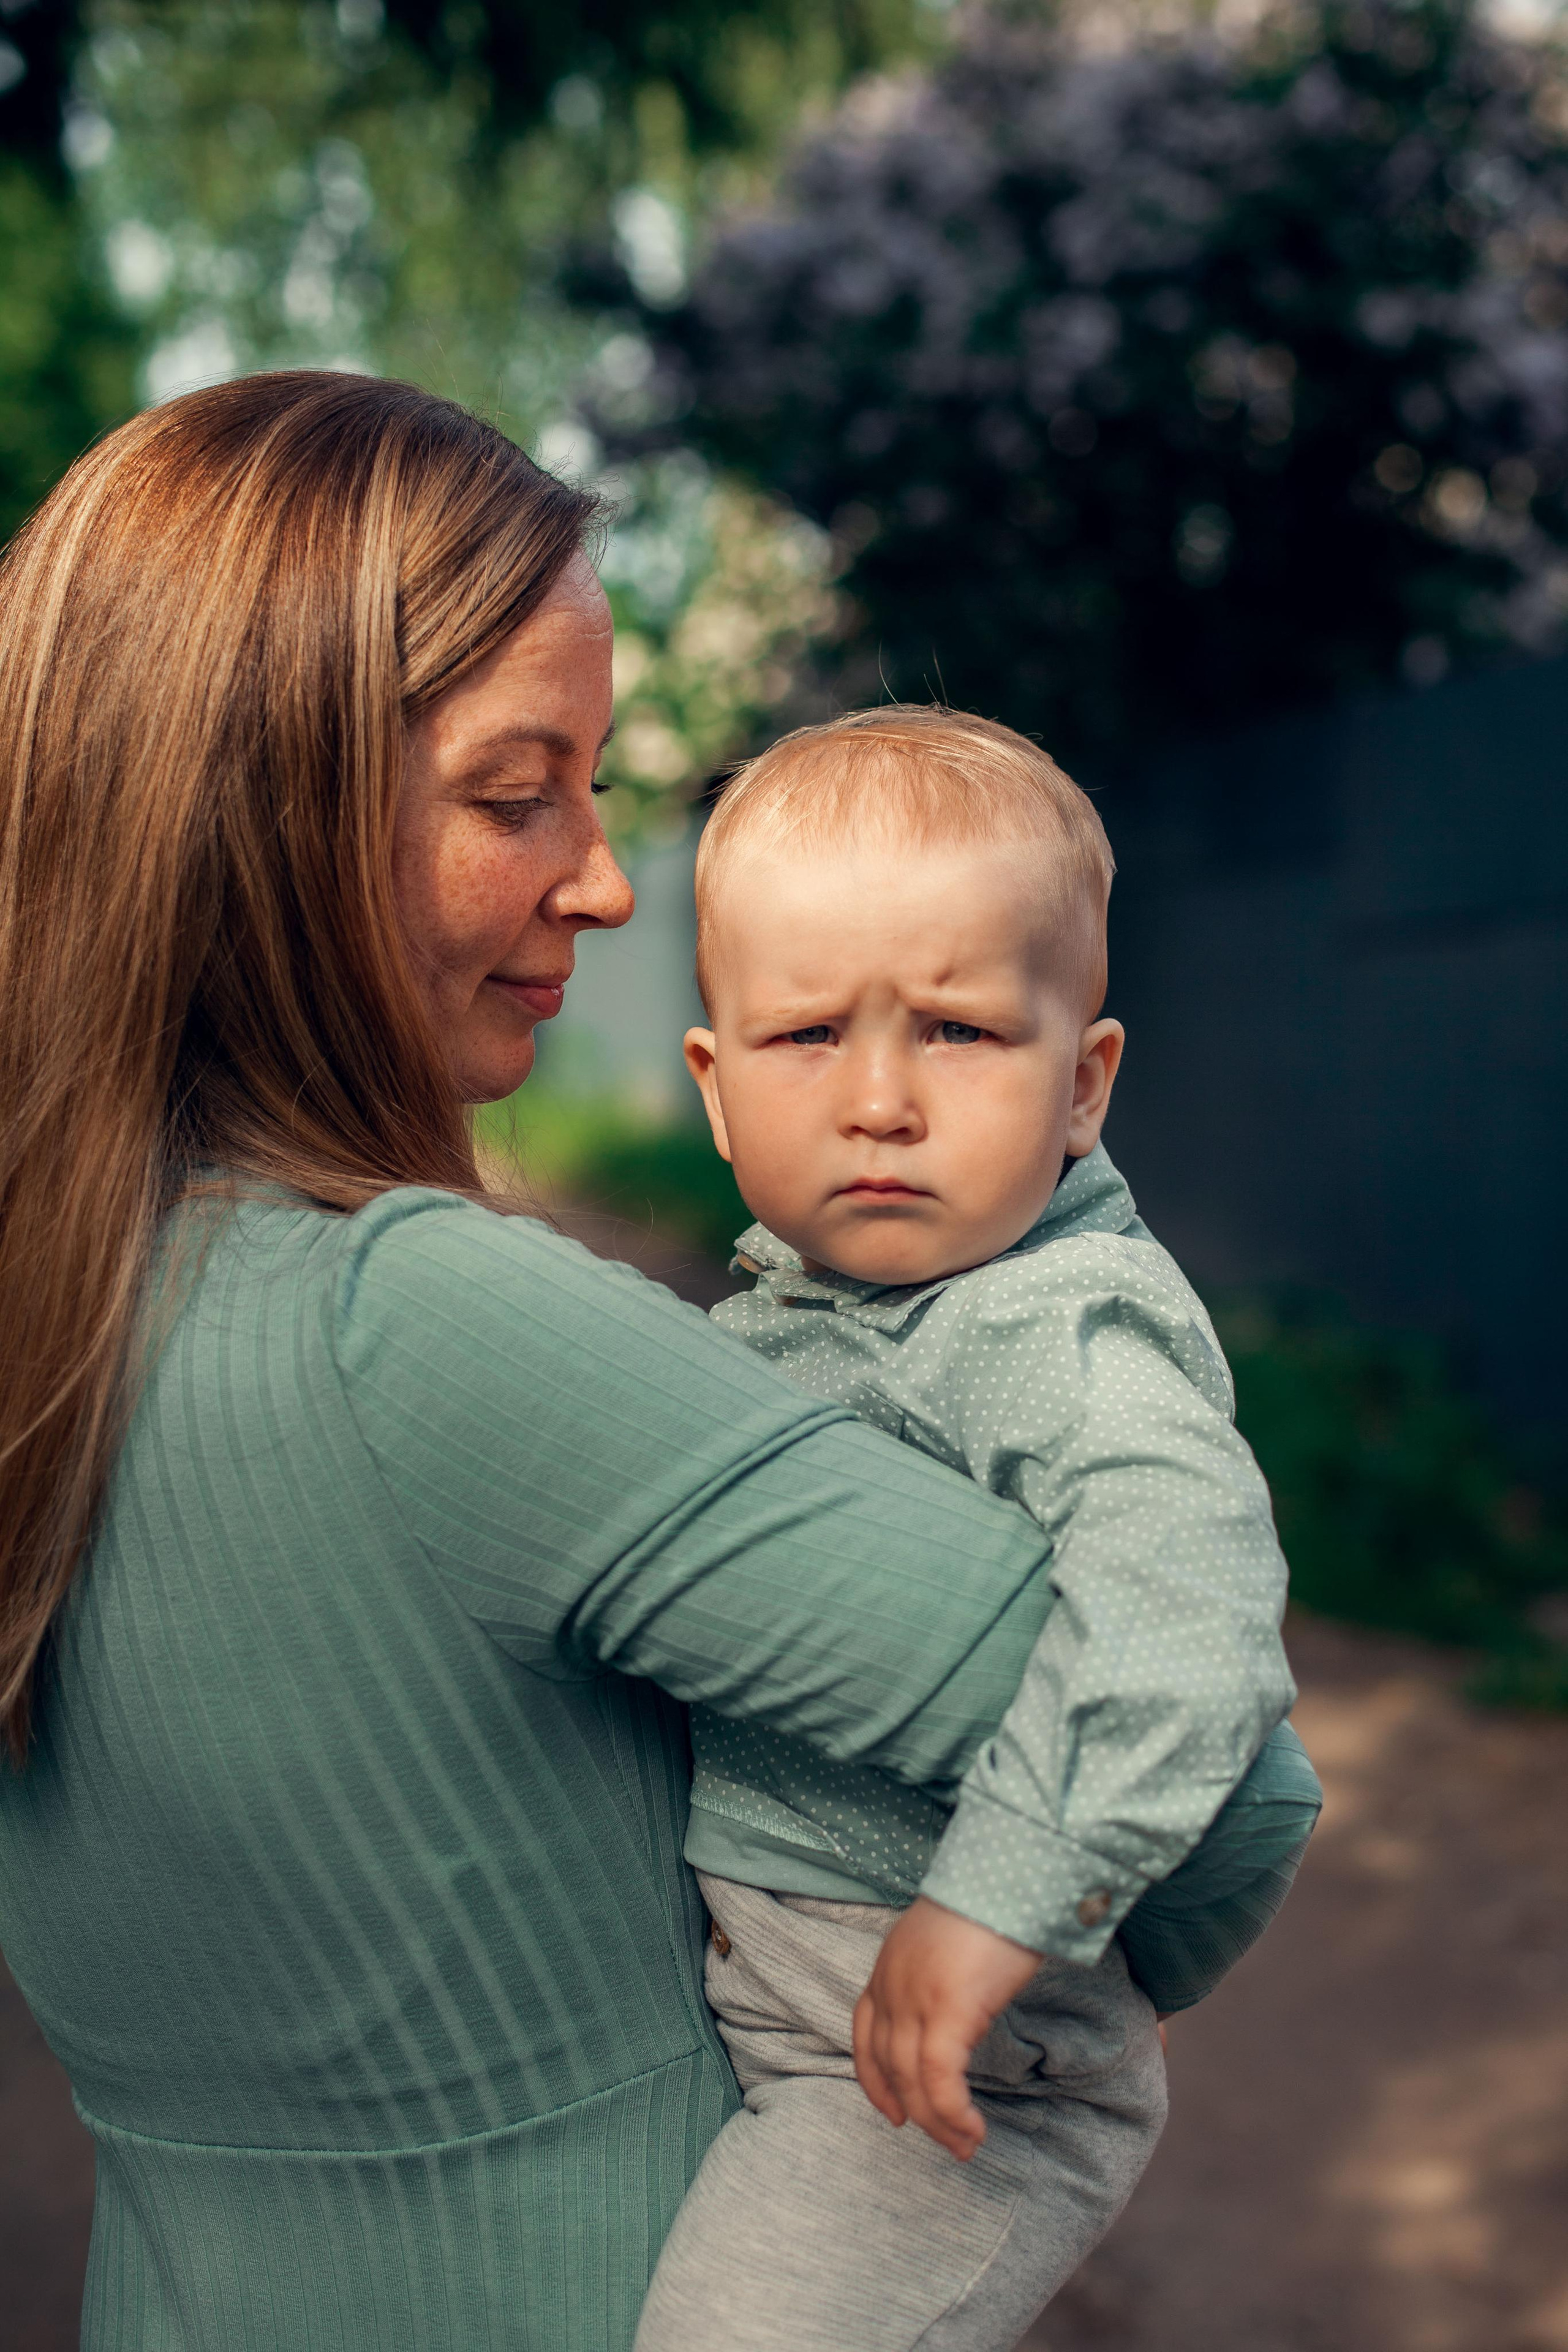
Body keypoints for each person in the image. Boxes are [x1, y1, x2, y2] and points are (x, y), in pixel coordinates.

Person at [0, 378, 1090, 2352]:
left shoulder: (48, 1329)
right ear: (261, 803)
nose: (602, 880)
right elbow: (1218, 1784)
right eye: (519, 795)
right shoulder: (419, 1326)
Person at [635, 708, 1320, 2352]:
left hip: (960, 2055)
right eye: (808, 1037)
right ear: (718, 1094)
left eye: (953, 1030)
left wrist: (998, 1902)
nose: (880, 1099)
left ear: (1082, 1084)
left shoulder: (1060, 1325)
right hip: (791, 1983)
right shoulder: (790, 1319)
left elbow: (1178, 1627)